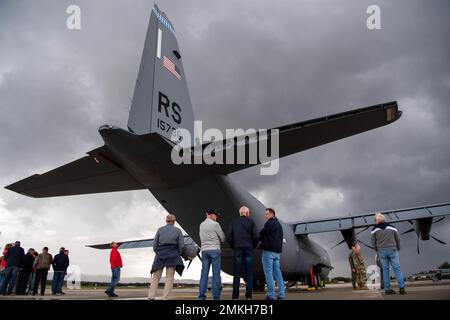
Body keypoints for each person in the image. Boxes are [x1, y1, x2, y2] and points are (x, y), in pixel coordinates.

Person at [148, 214, 185, 300]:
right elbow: (181, 245)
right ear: (174, 221)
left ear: (166, 221)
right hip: (173, 254)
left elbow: (155, 244)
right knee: (169, 276)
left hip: (160, 254)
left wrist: (158, 252)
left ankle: (151, 296)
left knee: (156, 276)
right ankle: (165, 297)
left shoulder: (160, 230)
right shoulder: (178, 230)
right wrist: (178, 253)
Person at [227, 206, 259, 300]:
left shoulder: (234, 222)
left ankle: (235, 296)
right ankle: (248, 296)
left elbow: (229, 237)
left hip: (238, 249)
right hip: (248, 249)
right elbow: (256, 236)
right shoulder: (251, 222)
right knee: (249, 273)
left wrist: (234, 246)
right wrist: (252, 246)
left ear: (240, 213)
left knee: (236, 273)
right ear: (247, 213)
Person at [371, 213, 406, 294]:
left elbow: (373, 243)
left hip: (381, 251)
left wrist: (377, 250)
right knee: (397, 269)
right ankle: (401, 288)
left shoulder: (374, 230)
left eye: (375, 220)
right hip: (393, 249)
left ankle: (387, 289)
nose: (374, 222)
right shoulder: (392, 228)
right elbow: (398, 239)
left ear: (378, 220)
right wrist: (398, 248)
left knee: (385, 270)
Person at [198, 209, 226, 300]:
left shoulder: (201, 224)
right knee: (216, 274)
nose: (216, 217)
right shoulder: (215, 224)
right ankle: (216, 297)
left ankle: (201, 297)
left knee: (204, 274)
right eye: (215, 215)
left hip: (205, 251)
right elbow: (222, 238)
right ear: (211, 215)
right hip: (215, 250)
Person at [259, 208, 285, 300]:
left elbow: (261, 234)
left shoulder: (269, 224)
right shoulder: (279, 225)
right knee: (278, 273)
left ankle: (271, 295)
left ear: (272, 214)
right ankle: (282, 294)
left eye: (266, 214)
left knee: (268, 273)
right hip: (277, 253)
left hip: (268, 252)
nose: (265, 216)